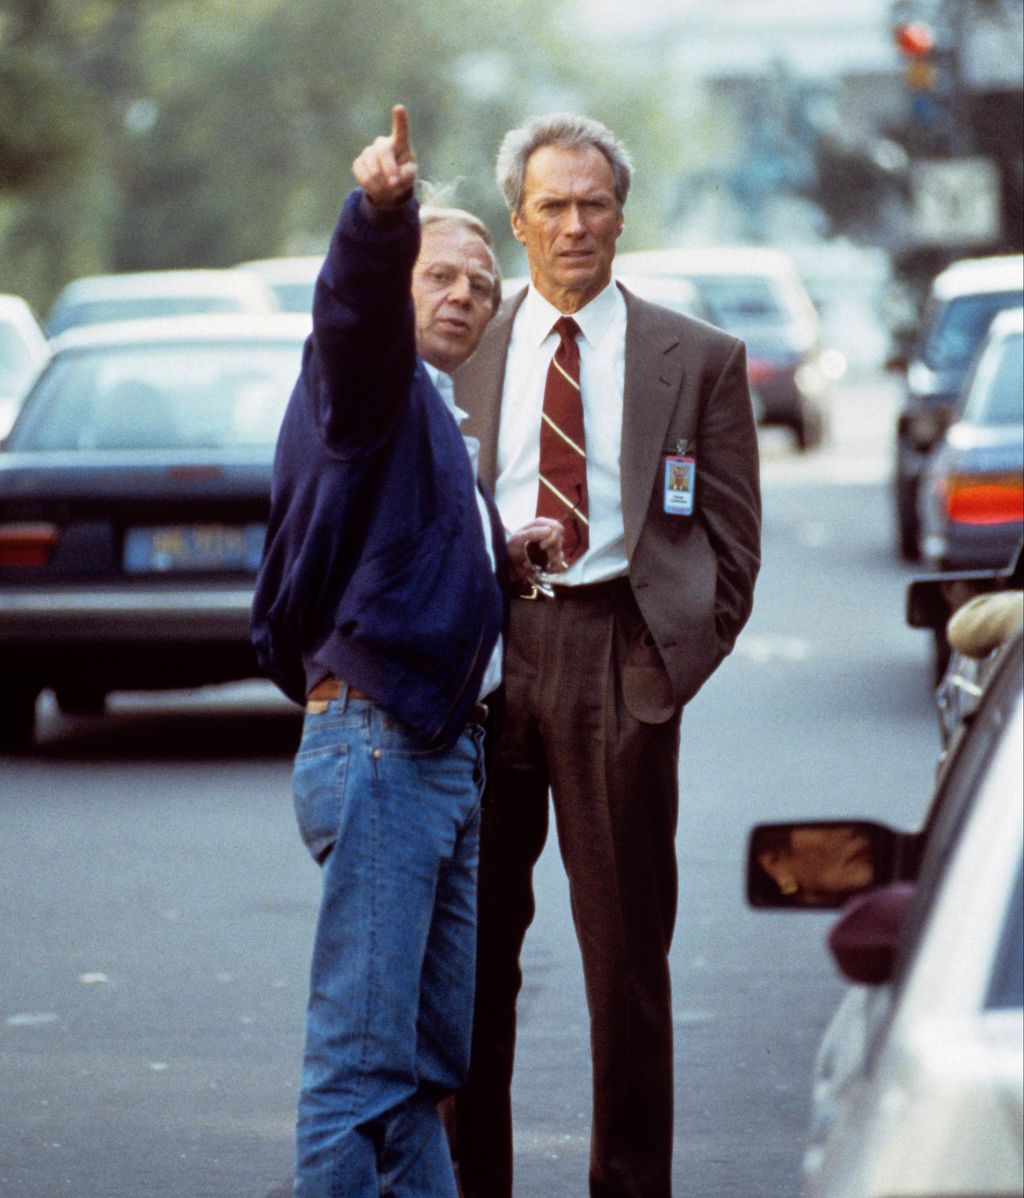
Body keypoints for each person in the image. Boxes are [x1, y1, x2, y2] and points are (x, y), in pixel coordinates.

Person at [251, 106, 564, 1198]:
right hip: (384, 749)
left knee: (432, 1064)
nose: (465, 295)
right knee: (363, 1067)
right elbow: (347, 313)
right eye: (440, 273)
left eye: (483, 284)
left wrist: (497, 555)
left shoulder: (432, 415)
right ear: (399, 286)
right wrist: (381, 216)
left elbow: (397, 553)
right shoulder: (367, 380)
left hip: (437, 755)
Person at [449, 113, 762, 1198]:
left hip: (618, 661)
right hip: (484, 666)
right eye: (552, 206)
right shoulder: (465, 349)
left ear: (622, 214)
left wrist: (665, 668)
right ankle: (466, 1180)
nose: (575, 225)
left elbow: (731, 544)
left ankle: (628, 1185)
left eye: (594, 203)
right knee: (470, 960)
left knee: (626, 965)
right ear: (518, 221)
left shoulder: (698, 358)